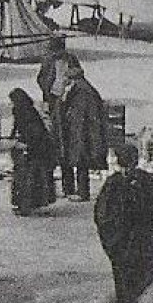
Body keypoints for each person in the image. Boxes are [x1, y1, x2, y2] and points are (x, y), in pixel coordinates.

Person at [93, 143, 153, 303]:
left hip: (143, 237)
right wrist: (111, 234)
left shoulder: (144, 179)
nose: (130, 168)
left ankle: (127, 300)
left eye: (132, 163)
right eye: (127, 163)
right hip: (120, 241)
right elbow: (100, 213)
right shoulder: (112, 184)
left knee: (147, 272)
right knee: (123, 280)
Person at [56, 59, 109, 201]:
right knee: (71, 160)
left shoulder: (82, 90)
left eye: (67, 77)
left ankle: (81, 192)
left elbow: (81, 114)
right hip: (73, 131)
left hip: (81, 133)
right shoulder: (75, 89)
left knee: (81, 161)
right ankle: (69, 190)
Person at [9, 87, 58, 215]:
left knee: (27, 179)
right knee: (31, 179)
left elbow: (34, 134)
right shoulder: (26, 111)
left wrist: (24, 144)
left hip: (35, 151)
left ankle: (26, 205)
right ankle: (30, 203)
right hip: (36, 150)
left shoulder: (25, 113)